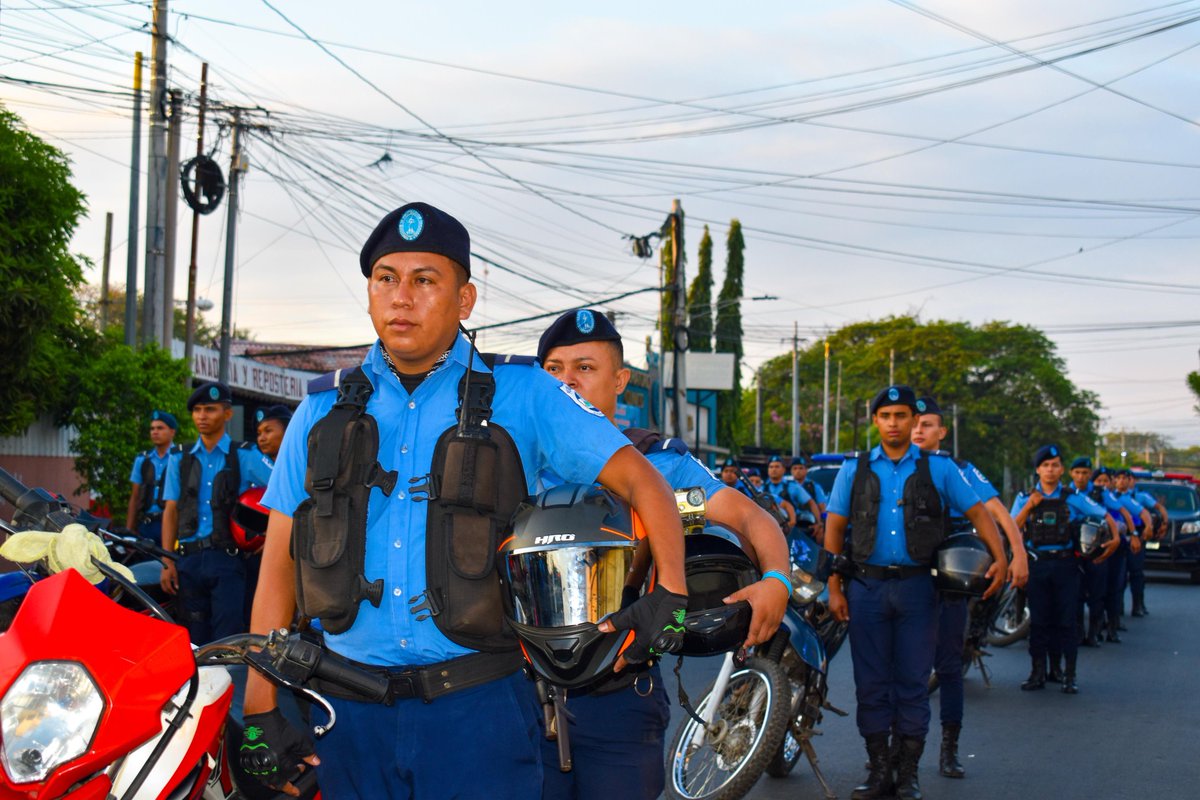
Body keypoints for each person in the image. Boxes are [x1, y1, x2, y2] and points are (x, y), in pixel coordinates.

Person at [242, 202, 690, 800]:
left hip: (480, 710)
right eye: (386, 279)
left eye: (425, 280)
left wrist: (672, 594)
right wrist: (259, 711)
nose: (402, 297)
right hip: (346, 713)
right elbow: (279, 562)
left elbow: (645, 481)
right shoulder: (318, 413)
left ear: (464, 300)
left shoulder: (525, 393)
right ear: (370, 294)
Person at [536, 307, 791, 800]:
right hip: (516, 694)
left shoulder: (657, 465)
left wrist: (777, 580)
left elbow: (747, 517)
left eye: (585, 368)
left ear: (620, 381)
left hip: (618, 695)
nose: (567, 383)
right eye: (554, 370)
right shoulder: (509, 453)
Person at [824, 385, 1007, 800]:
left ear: (913, 421)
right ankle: (878, 771)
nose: (894, 423)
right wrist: (834, 588)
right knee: (870, 685)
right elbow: (834, 529)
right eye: (886, 416)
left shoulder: (939, 469)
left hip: (919, 589)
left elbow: (979, 512)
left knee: (911, 684)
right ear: (876, 421)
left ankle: (907, 775)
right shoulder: (854, 469)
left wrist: (1002, 559)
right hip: (866, 588)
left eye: (902, 416)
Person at [910, 395, 1028, 780]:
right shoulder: (892, 466)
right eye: (915, 422)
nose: (918, 430)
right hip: (906, 580)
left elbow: (996, 513)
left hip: (950, 580)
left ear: (942, 432)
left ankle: (949, 748)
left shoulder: (959, 469)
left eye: (927, 424)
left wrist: (1017, 556)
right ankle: (895, 751)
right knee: (901, 669)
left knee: (948, 667)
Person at [160, 382, 273, 645]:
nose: (202, 416)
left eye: (210, 409)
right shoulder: (179, 457)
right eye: (197, 410)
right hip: (187, 561)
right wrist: (168, 562)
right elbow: (171, 510)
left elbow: (285, 492)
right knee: (192, 640)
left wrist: (269, 536)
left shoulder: (244, 455)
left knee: (228, 639)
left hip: (228, 561)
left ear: (227, 414)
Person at [1011, 446, 1108, 695]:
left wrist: (1113, 540)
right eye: (1045, 465)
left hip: (1066, 565)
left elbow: (1102, 516)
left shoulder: (1073, 497)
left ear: (1062, 469)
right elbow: (1012, 528)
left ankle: (1068, 675)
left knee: (1066, 621)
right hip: (1038, 564)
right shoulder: (1025, 497)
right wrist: (1029, 507)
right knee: (1039, 621)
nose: (1050, 470)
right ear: (1037, 470)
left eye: (1055, 465)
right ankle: (1037, 673)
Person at [1066, 458, 1121, 650]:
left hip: (1097, 548)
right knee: (1077, 594)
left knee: (1097, 594)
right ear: (1071, 473)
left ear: (1090, 474)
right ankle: (1079, 632)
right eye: (1077, 472)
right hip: (1074, 549)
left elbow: (1120, 511)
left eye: (1085, 473)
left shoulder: (1099, 493)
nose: (1081, 476)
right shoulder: (1065, 492)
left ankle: (1094, 633)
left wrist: (1125, 536)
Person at [1092, 467, 1136, 642]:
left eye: (1105, 481)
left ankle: (1112, 626)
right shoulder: (1085, 495)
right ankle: (1092, 630)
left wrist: (1134, 534)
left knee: (1114, 588)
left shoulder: (1109, 497)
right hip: (1093, 546)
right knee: (1095, 590)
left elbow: (1126, 514)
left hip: (1115, 546)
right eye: (1099, 481)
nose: (1102, 484)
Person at [125, 410, 180, 542]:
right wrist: (129, 530)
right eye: (152, 429)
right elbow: (135, 497)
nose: (155, 432)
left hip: (172, 523)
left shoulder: (180, 458)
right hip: (146, 525)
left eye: (160, 428)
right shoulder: (143, 459)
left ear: (172, 432)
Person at [1115, 468, 1157, 618]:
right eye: (1118, 478)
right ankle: (1116, 608)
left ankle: (1137, 605)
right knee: (1118, 576)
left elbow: (1145, 513)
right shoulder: (1110, 496)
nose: (1122, 481)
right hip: (1116, 538)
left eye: (1125, 478)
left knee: (1136, 572)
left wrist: (1148, 527)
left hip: (1134, 536)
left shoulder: (1134, 497)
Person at [764, 455, 822, 536]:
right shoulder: (762, 488)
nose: (774, 469)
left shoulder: (792, 486)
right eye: (771, 467)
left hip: (791, 528)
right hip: (768, 528)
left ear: (784, 469)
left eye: (777, 466)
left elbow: (811, 503)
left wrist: (818, 523)